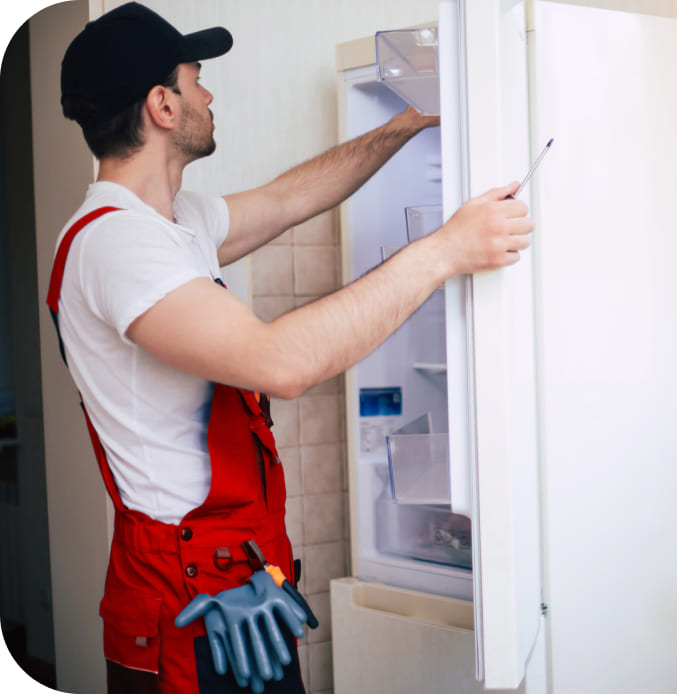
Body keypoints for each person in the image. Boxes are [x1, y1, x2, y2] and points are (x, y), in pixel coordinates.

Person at [50, 3, 532, 693]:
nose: (208, 94)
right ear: (161, 105)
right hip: (183, 600)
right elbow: (282, 364)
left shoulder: (172, 221)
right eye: (195, 79)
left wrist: (408, 120)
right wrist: (445, 250)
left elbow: (288, 199)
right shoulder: (115, 243)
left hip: (237, 576)